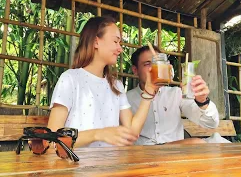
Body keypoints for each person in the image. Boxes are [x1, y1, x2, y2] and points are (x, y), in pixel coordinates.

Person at [47, 16, 158, 148]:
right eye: (115, 42)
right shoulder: (70, 79)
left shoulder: (117, 86)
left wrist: (149, 91)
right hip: (77, 167)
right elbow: (53, 140)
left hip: (111, 166)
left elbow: (132, 133)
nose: (120, 49)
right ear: (96, 42)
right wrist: (98, 134)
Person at [126, 45, 221, 145]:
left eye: (159, 63)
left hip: (175, 153)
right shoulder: (126, 99)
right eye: (148, 64)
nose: (154, 68)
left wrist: (202, 101)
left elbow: (211, 124)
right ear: (135, 70)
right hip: (143, 155)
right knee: (197, 142)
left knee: (200, 143)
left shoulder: (176, 94)